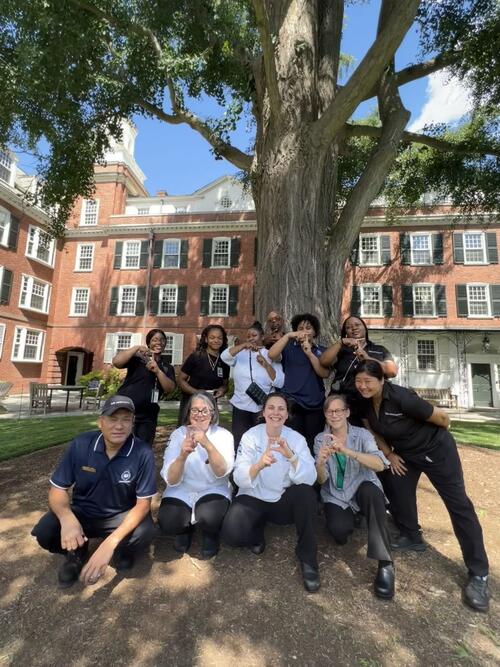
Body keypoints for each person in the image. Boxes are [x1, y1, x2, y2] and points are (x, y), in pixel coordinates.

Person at [353, 360, 490, 612]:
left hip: (436, 451)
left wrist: (434, 441)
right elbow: (373, 431)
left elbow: (442, 418)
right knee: (395, 485)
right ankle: (411, 535)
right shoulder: (363, 401)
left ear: (382, 380)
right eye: (358, 381)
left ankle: (479, 573)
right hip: (405, 454)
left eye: (367, 381)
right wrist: (389, 454)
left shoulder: (403, 398)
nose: (362, 386)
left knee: (458, 505)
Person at [31, 395, 156, 588]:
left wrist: (110, 543)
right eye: (113, 419)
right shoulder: (81, 444)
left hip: (120, 515)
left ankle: (121, 550)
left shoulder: (142, 452)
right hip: (83, 513)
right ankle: (77, 552)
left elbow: (143, 505)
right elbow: (58, 488)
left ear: (133, 424)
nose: (119, 426)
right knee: (45, 531)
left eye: (126, 420)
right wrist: (67, 519)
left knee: (145, 531)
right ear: (101, 422)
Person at [221, 393, 320, 592]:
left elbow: (310, 478)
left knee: (306, 494)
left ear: (287, 414)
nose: (276, 412)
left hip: (282, 500)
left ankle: (308, 559)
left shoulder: (296, 439)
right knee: (231, 536)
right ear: (263, 412)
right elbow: (239, 476)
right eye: (271, 408)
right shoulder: (251, 436)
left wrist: (291, 456)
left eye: (281, 408)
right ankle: (256, 529)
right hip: (253, 496)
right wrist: (259, 465)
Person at [314, 395, 394, 600]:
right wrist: (320, 463)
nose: (335, 415)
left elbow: (380, 464)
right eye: (330, 411)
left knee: (372, 493)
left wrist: (348, 451)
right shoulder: (319, 440)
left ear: (347, 412)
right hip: (337, 495)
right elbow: (322, 480)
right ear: (325, 415)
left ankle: (385, 564)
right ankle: (355, 516)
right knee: (339, 533)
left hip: (362, 487)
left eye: (339, 410)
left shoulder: (362, 435)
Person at [158, 392, 234, 559]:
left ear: (213, 414)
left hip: (213, 488)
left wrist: (207, 444)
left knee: (209, 517)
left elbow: (222, 471)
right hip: (182, 489)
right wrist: (182, 456)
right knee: (168, 521)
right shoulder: (178, 435)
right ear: (188, 413)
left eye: (205, 411)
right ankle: (184, 530)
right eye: (195, 410)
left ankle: (210, 533)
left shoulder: (224, 435)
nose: (200, 415)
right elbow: (171, 479)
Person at [319, 316, 397, 425]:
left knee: (370, 435)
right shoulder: (341, 350)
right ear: (345, 332)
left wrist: (367, 358)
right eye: (348, 327)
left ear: (365, 328)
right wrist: (340, 342)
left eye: (357, 325)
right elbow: (323, 361)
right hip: (342, 402)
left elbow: (392, 372)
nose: (353, 328)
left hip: (369, 402)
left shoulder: (379, 349)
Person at [268, 313, 329, 451]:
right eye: (300, 328)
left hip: (315, 404)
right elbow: (271, 355)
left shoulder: (322, 350)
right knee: (292, 443)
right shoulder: (288, 347)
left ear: (315, 332)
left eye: (308, 328)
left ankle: (312, 470)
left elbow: (324, 373)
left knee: (313, 442)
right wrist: (287, 336)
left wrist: (309, 353)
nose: (304, 331)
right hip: (292, 402)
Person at [221, 321, 284, 450]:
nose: (251, 338)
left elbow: (279, 382)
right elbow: (224, 357)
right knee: (240, 442)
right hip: (241, 405)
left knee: (263, 443)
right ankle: (241, 469)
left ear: (262, 337)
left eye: (254, 335)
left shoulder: (270, 354)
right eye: (248, 336)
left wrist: (266, 364)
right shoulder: (239, 354)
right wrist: (244, 345)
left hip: (263, 406)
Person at [113, 328, 176, 445]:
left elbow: (170, 389)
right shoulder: (137, 359)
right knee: (121, 446)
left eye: (162, 340)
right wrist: (136, 348)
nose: (159, 342)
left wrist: (158, 371)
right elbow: (117, 362)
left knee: (143, 449)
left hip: (148, 415)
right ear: (149, 343)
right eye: (155, 339)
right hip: (125, 410)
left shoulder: (167, 367)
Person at [177, 325, 230, 425]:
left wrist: (222, 390)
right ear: (206, 339)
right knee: (187, 433)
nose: (216, 340)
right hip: (191, 402)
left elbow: (225, 384)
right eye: (212, 337)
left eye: (219, 338)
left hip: (211, 404)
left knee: (209, 432)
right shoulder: (196, 356)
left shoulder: (224, 361)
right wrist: (197, 393)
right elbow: (180, 380)